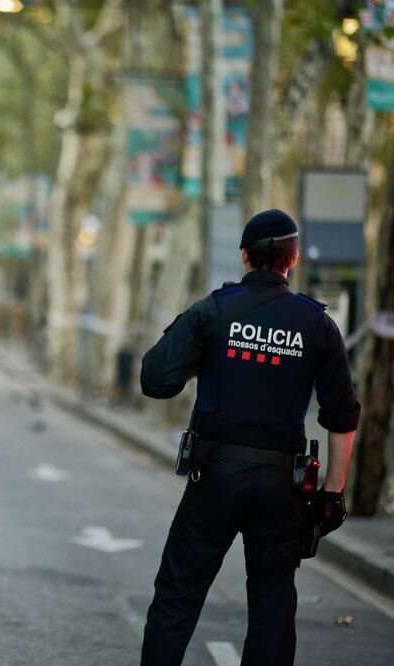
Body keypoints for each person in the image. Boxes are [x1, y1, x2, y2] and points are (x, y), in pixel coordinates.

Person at [138, 209, 360, 665]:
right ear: (292, 259)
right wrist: (332, 493)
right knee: (273, 603)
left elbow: (155, 379)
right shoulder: (317, 324)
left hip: (214, 477)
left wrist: (203, 345)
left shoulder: (213, 311)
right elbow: (342, 417)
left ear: (244, 256)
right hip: (282, 487)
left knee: (177, 597)